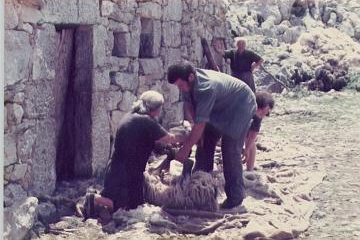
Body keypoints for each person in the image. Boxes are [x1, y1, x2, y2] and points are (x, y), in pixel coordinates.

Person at [81, 91, 187, 220]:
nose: (160, 112)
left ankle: (96, 201)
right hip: (125, 173)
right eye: (160, 108)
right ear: (155, 109)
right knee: (121, 206)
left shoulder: (130, 116)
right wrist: (190, 138)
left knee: (135, 204)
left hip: (119, 169)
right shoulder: (146, 121)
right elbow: (169, 138)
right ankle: (93, 198)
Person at [167, 62, 257, 209]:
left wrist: (185, 149)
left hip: (240, 105)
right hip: (219, 106)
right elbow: (190, 106)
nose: (180, 88)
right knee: (203, 145)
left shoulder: (206, 87)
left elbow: (200, 124)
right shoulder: (187, 83)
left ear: (190, 77)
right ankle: (200, 188)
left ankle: (235, 196)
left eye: (180, 85)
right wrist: (197, 131)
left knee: (229, 150)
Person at [243, 91, 275, 171]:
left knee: (250, 142)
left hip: (248, 122)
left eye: (266, 113)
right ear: (256, 106)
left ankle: (250, 170)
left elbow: (253, 134)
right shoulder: (245, 107)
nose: (264, 114)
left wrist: (247, 149)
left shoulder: (259, 115)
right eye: (263, 111)